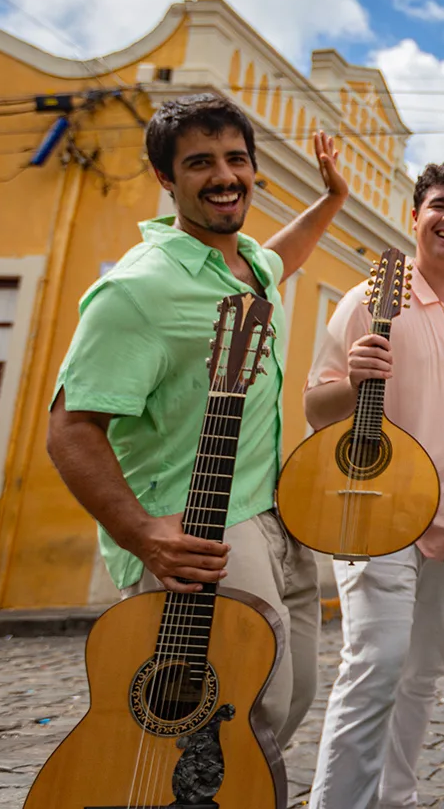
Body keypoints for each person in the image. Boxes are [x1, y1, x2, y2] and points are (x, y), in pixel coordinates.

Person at [47, 93, 350, 747]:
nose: (224, 176)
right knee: (241, 713)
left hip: (275, 512)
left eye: (236, 159)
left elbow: (282, 254)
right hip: (199, 527)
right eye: (200, 162)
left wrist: (332, 201)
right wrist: (143, 536)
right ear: (166, 177)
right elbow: (70, 428)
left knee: (288, 700)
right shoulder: (138, 289)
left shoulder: (246, 268)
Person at [305, 160, 444, 809]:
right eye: (440, 204)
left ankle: (393, 798)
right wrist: (356, 381)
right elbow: (317, 409)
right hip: (373, 509)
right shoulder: (370, 297)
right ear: (416, 215)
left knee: (422, 673)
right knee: (377, 661)